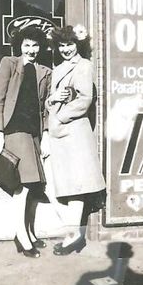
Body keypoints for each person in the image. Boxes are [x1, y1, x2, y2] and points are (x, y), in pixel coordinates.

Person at [46, 25, 106, 255]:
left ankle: (73, 238)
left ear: (77, 44)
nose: (65, 49)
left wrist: (59, 116)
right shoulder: (59, 67)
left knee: (76, 186)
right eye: (61, 45)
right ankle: (73, 235)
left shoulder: (83, 66)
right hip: (61, 133)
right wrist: (52, 99)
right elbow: (53, 100)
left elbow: (85, 100)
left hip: (74, 133)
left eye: (69, 44)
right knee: (64, 186)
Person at [0, 26, 51, 258]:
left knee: (33, 186)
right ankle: (22, 236)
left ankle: (27, 231)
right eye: (27, 45)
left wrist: (45, 135)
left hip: (33, 134)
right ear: (20, 45)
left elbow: (45, 108)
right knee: (23, 186)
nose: (31, 49)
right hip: (14, 131)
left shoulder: (44, 71)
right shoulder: (9, 63)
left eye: (35, 45)